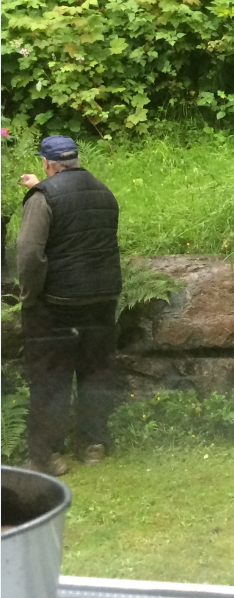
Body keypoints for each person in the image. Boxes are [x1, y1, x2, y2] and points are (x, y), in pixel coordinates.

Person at [17, 135, 121, 476]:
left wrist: (29, 297)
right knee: (95, 372)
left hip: (56, 304)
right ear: (75, 160)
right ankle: (93, 445)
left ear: (47, 164)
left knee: (50, 380)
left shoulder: (42, 197)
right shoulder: (103, 192)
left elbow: (30, 255)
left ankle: (48, 457)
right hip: (103, 300)